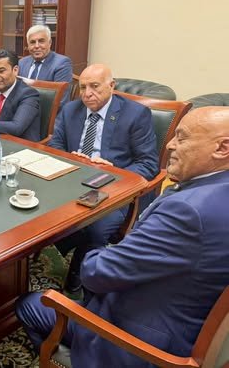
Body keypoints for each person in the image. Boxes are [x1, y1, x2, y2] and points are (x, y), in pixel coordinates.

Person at [16, 106, 229, 368]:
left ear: (222, 148)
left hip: (139, 342)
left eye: (182, 138)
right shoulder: (214, 192)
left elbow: (95, 273)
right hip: (187, 315)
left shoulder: (188, 211)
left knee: (29, 303)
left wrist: (100, 251)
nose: (170, 145)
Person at [49, 63, 159, 293]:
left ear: (112, 86)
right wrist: (71, 158)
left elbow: (149, 164)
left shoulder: (135, 114)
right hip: (72, 179)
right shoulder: (70, 110)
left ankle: (81, 271)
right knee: (42, 211)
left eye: (95, 86)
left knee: (96, 228)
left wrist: (115, 171)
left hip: (113, 188)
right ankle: (68, 243)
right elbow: (55, 146)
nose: (87, 93)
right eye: (82, 87)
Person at [18, 25, 72, 110]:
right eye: (32, 42)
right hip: (22, 110)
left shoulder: (62, 63)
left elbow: (60, 101)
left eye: (41, 41)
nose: (36, 46)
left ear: (50, 43)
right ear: (28, 45)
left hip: (47, 113)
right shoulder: (22, 62)